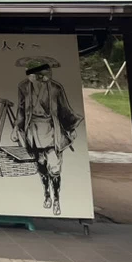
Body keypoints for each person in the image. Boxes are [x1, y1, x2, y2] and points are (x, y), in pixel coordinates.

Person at [13, 57, 81, 216]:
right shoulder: (23, 87)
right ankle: (47, 194)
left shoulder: (56, 88)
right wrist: (17, 127)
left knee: (55, 168)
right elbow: (21, 110)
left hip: (51, 129)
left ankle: (57, 199)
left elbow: (64, 108)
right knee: (41, 166)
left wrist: (70, 127)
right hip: (33, 129)